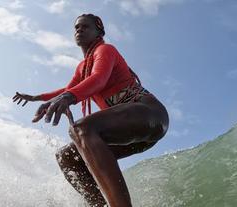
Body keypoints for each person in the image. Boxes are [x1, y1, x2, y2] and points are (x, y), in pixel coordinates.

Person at [13, 14, 169, 207]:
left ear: (99, 31)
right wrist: (38, 98)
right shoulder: (82, 67)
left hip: (150, 115)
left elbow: (98, 79)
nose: (79, 30)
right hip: (131, 134)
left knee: (81, 128)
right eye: (76, 27)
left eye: (85, 27)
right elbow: (67, 90)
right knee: (67, 157)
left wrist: (68, 97)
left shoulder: (106, 50)